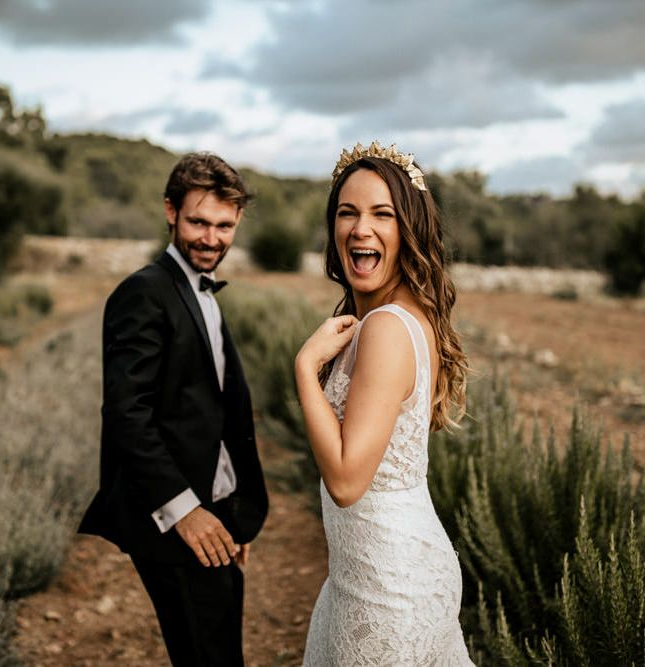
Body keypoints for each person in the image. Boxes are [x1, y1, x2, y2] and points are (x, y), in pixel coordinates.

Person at [79, 152, 268, 666]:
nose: (211, 239)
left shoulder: (201, 290)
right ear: (170, 211)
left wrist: (231, 510)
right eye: (198, 222)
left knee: (220, 647)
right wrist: (188, 514)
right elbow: (126, 414)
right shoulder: (144, 293)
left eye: (224, 226)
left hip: (214, 508)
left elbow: (210, 411)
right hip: (177, 518)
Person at [296, 141, 474, 665]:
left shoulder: (388, 329)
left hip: (388, 590)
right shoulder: (401, 316)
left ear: (408, 230)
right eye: (347, 213)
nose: (360, 228)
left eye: (382, 214)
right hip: (370, 573)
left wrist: (305, 369)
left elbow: (348, 482)